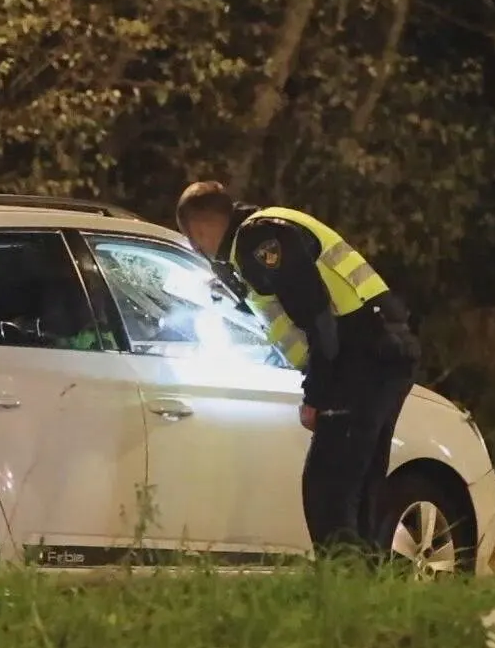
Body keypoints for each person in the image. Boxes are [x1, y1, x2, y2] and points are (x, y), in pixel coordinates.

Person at [175, 181, 419, 562]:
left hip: (361, 357)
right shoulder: (262, 234)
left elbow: (319, 320)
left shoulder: (258, 240)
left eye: (192, 239)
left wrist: (316, 397)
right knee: (358, 486)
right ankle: (366, 584)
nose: (197, 248)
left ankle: (343, 581)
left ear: (200, 229)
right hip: (385, 349)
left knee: (327, 487)